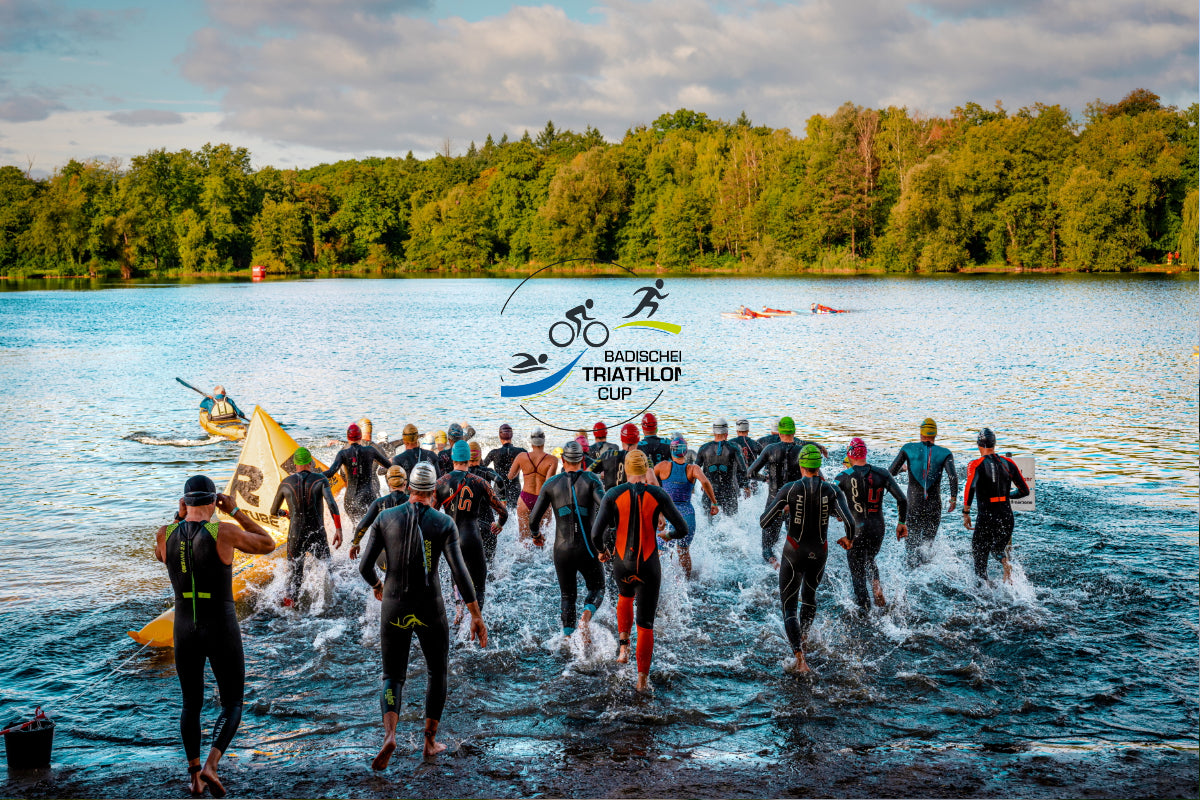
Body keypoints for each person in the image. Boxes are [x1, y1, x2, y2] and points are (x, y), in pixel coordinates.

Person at [358, 462, 487, 765]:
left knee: (392, 675)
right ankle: (429, 742)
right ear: (433, 492)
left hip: (394, 605)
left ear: (410, 488)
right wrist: (475, 615)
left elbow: (365, 567)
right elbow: (460, 573)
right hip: (430, 607)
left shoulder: (385, 517)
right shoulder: (443, 523)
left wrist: (378, 585)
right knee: (436, 671)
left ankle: (389, 735)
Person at [156, 475, 276, 797]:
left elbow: (164, 553)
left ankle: (194, 778)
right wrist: (236, 510)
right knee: (233, 702)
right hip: (220, 626)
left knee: (190, 704)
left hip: (183, 628)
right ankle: (212, 764)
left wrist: (179, 518)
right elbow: (268, 543)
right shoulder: (222, 531)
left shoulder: (163, 535)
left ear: (184, 503)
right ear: (213, 501)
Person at [591, 450, 692, 692]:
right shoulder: (658, 493)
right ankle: (642, 681)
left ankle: (623, 648)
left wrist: (603, 551)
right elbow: (682, 528)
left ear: (626, 469)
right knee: (645, 624)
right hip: (649, 565)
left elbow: (596, 534)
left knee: (625, 596)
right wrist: (667, 534)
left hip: (622, 563)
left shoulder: (613, 494)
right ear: (646, 468)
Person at [760, 445, 857, 674]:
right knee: (810, 597)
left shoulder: (789, 489)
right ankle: (803, 636)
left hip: (793, 551)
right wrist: (848, 540)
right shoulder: (832, 490)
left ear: (801, 465)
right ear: (818, 466)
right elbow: (850, 523)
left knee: (789, 606)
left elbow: (765, 522)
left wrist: (784, 510)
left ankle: (800, 658)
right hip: (819, 553)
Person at [528, 441, 607, 641]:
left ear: (563, 460)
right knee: (597, 588)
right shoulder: (591, 479)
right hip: (588, 548)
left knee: (567, 596)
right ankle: (586, 617)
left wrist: (537, 536)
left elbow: (533, 520)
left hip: (561, 550)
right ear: (582, 460)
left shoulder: (550, 484)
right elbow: (606, 508)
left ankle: (568, 639)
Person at [833, 438, 908, 613]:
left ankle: (865, 614)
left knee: (857, 572)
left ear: (850, 454)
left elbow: (829, 498)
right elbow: (902, 499)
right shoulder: (882, 473)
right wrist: (901, 523)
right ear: (865, 453)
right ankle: (876, 585)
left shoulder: (842, 477)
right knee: (869, 558)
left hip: (856, 529)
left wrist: (837, 514)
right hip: (877, 528)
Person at [435, 440, 508, 611]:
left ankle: (459, 608)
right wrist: (498, 524)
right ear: (469, 459)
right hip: (473, 538)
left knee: (457, 571)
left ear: (453, 459)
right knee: (480, 586)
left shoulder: (440, 483)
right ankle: (474, 620)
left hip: (452, 539)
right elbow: (503, 512)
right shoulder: (480, 482)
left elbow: (430, 515)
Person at [269, 447, 342, 606]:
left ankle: (290, 608)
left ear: (295, 464)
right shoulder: (320, 479)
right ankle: (333, 604)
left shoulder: (285, 483)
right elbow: (331, 504)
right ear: (310, 463)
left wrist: (286, 513)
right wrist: (338, 530)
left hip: (295, 535)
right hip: (317, 533)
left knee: (295, 575)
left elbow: (273, 511)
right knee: (328, 571)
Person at [748, 417, 828, 551]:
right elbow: (817, 478)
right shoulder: (802, 451)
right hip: (796, 503)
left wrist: (765, 479)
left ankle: (775, 564)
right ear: (794, 432)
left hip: (774, 501)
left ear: (779, 433)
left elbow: (750, 473)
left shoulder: (769, 449)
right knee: (797, 544)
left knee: (767, 549)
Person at [962, 428, 1030, 585]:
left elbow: (970, 487)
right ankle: (1005, 563)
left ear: (978, 444)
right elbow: (1025, 491)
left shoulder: (976, 464)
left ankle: (983, 594)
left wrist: (966, 512)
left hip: (987, 517)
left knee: (980, 562)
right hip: (1007, 516)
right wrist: (1006, 497)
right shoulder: (1009, 463)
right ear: (994, 443)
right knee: (997, 549)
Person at [889, 418, 958, 566]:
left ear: (921, 433)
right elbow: (953, 476)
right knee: (927, 546)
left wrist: (903, 469)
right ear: (935, 434)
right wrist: (953, 499)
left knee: (911, 546)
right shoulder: (945, 453)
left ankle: (911, 575)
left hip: (913, 505)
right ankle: (927, 576)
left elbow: (890, 473)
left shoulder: (908, 448)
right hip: (933, 506)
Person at [653, 435, 719, 579]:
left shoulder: (663, 466)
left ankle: (663, 582)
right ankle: (687, 583)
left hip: (667, 514)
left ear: (671, 451)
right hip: (687, 515)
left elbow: (648, 478)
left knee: (662, 552)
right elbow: (706, 482)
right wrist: (713, 502)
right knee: (683, 551)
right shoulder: (692, 468)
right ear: (686, 452)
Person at [324, 423, 392, 529]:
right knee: (370, 528)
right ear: (360, 437)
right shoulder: (371, 450)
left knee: (356, 527)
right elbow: (388, 466)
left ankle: (353, 544)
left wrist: (313, 475)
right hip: (368, 497)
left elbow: (330, 473)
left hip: (350, 499)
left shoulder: (342, 453)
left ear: (347, 438)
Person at [507, 428, 557, 543]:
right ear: (544, 441)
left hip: (525, 499)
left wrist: (521, 466)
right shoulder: (552, 460)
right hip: (542, 499)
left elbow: (510, 476)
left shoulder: (521, 456)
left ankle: (524, 561)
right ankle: (541, 561)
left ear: (531, 441)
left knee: (524, 539)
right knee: (543, 538)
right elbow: (548, 483)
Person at [349, 466, 408, 560]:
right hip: (408, 554)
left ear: (388, 483)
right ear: (405, 483)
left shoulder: (379, 503)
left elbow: (362, 526)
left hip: (384, 556)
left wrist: (355, 543)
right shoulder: (413, 502)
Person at [695, 418, 749, 515]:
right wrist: (746, 486)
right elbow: (743, 470)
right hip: (728, 491)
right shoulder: (734, 448)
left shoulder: (704, 448)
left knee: (708, 522)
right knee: (731, 522)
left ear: (713, 432)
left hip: (709, 492)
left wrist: (700, 484)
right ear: (727, 432)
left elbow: (694, 470)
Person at [467, 442, 503, 561]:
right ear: (480, 455)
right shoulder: (486, 471)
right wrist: (503, 499)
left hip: (468, 523)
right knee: (489, 561)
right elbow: (499, 480)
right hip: (487, 522)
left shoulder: (462, 473)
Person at [483, 423, 526, 509]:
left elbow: (482, 468)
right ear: (512, 436)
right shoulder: (522, 451)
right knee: (514, 513)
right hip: (515, 489)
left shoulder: (494, 453)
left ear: (499, 437)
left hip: (499, 489)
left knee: (499, 513)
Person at [729, 419, 763, 498]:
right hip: (751, 477)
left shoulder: (730, 443)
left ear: (737, 430)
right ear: (748, 430)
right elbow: (765, 458)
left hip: (736, 479)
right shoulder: (755, 444)